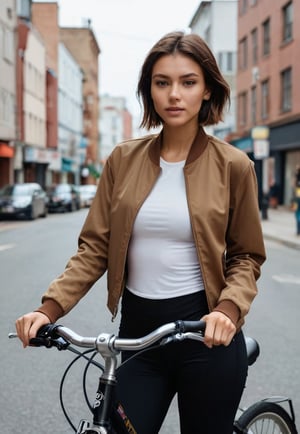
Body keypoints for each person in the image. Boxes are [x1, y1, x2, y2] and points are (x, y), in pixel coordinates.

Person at [16, 31, 266, 434]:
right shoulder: (122, 159)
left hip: (206, 336)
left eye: (188, 82)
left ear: (206, 90)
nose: (174, 94)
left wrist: (228, 310)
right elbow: (95, 248)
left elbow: (246, 256)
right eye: (162, 82)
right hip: (137, 338)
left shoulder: (233, 165)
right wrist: (49, 309)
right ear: (149, 90)